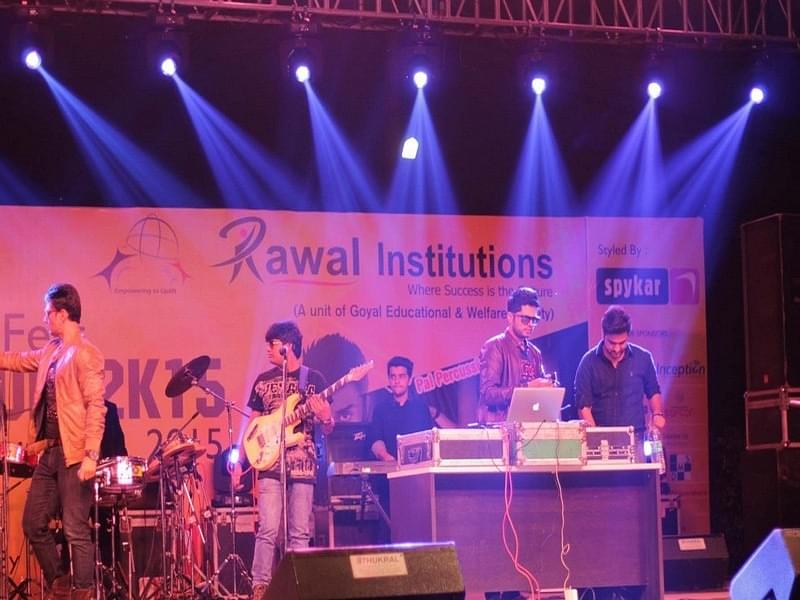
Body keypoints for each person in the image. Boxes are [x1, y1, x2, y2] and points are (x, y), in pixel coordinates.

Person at [0, 283, 106, 600]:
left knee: (75, 528)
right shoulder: (51, 350)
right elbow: (19, 360)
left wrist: (91, 455)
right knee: (33, 523)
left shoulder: (86, 354)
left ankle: (83, 592)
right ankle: (60, 582)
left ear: (62, 314)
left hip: (75, 454)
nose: (44, 318)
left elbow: (96, 406)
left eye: (48, 313)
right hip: (50, 452)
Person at [245, 320, 334, 600]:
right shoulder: (262, 381)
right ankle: (260, 586)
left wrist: (326, 418)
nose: (268, 350)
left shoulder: (314, 380)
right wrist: (245, 456)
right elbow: (253, 424)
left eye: (272, 344)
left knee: (299, 532)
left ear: (288, 346)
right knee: (268, 529)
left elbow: (328, 427)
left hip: (303, 464)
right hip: (270, 464)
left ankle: (300, 586)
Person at [574, 305, 666, 435]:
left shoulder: (643, 358)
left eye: (622, 343)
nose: (617, 349)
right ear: (603, 336)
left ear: (628, 336)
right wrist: (595, 436)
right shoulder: (588, 362)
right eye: (612, 343)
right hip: (602, 437)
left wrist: (657, 414)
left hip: (635, 436)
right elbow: (583, 406)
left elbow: (653, 391)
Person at [478, 286, 555, 424]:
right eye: (525, 319)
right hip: (499, 429)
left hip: (529, 428)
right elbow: (488, 394)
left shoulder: (534, 353)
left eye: (534, 320)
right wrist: (527, 388)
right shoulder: (494, 346)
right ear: (510, 317)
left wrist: (549, 386)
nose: (531, 324)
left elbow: (539, 388)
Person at [369, 356, 454, 462]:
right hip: (389, 467)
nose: (396, 381)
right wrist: (385, 456)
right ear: (389, 380)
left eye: (401, 376)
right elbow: (376, 440)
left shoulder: (421, 408)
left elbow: (429, 440)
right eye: (393, 377)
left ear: (409, 380)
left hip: (418, 467)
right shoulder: (380, 410)